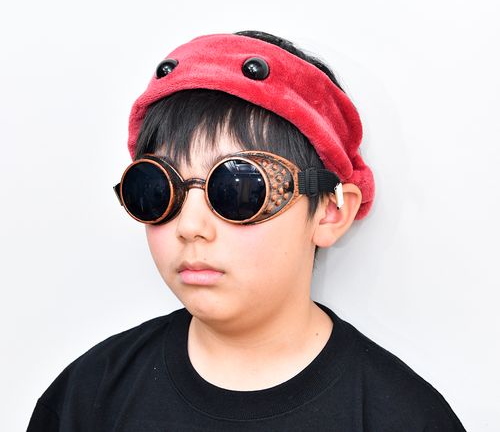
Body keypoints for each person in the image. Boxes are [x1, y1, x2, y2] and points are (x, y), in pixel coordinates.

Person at [27, 30, 467, 431]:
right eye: (157, 189)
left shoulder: (404, 418)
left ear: (330, 211)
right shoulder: (87, 398)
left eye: (238, 189)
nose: (190, 227)